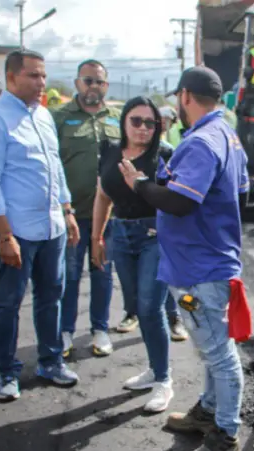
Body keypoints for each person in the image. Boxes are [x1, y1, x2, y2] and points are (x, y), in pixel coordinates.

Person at [118, 66, 250, 451]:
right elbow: (241, 196)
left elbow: (180, 202)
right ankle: (209, 412)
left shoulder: (200, 143)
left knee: (219, 354)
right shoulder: (228, 136)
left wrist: (139, 184)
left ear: (185, 96)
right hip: (210, 261)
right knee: (212, 347)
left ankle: (225, 436)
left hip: (200, 269)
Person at [0, 49, 81, 402]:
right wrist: (4, 234)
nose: (41, 82)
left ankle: (50, 362)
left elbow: (55, 167)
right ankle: (7, 372)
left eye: (44, 75)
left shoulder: (44, 116)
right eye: (33, 75)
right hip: (15, 230)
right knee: (8, 302)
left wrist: (67, 210)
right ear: (11, 78)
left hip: (52, 227)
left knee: (51, 297)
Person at [89, 96, 176, 412]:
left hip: (155, 236)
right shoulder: (110, 152)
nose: (143, 128)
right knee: (137, 307)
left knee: (151, 307)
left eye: (150, 122)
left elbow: (176, 201)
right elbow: (102, 196)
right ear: (124, 122)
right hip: (121, 236)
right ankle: (154, 370)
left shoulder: (165, 155)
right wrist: (96, 237)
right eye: (136, 121)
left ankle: (164, 381)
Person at [51, 59, 119, 358]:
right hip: (72, 214)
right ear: (77, 83)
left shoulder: (118, 118)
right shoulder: (59, 117)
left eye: (100, 82)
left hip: (107, 216)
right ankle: (65, 331)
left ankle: (100, 329)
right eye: (88, 80)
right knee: (70, 275)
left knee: (102, 272)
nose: (94, 87)